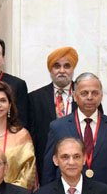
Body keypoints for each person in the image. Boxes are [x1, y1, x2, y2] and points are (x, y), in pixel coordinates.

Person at [42, 73, 107, 194]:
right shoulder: (58, 127)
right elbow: (49, 171)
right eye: (84, 93)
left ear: (101, 96)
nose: (90, 97)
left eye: (95, 93)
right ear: (75, 96)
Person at [28, 47, 77, 176]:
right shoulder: (34, 98)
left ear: (73, 69)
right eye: (57, 66)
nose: (62, 71)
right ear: (50, 69)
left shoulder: (85, 96)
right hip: (46, 166)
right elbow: (31, 136)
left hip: (77, 163)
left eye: (67, 66)